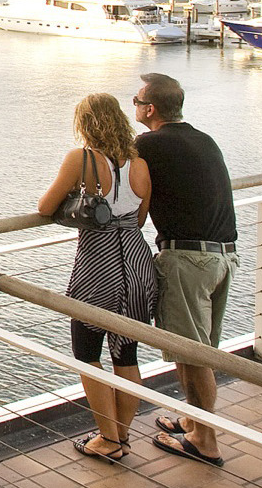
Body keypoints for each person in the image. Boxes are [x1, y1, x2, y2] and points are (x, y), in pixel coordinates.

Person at [38, 93, 157, 463]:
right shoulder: (140, 165)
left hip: (97, 267)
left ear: (85, 124)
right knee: (127, 354)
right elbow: (138, 220)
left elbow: (44, 207)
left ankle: (107, 438)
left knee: (87, 354)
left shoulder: (81, 159)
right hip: (138, 264)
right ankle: (121, 434)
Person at [134, 72, 238, 467]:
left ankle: (205, 441)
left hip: (188, 260)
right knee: (199, 350)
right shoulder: (204, 138)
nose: (136, 106)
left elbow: (122, 180)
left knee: (192, 355)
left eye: (137, 100)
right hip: (223, 256)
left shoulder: (149, 144)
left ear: (151, 108)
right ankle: (194, 423)